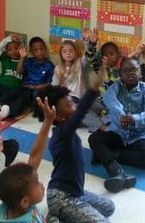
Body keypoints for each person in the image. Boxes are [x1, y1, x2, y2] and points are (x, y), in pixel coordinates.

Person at [37, 58, 116, 222]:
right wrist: (96, 83)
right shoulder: (63, 133)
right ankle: (57, 215)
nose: (75, 106)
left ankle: (61, 215)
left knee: (109, 207)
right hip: (61, 198)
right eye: (70, 105)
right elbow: (82, 110)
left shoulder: (65, 132)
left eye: (73, 103)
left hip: (75, 192)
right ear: (58, 116)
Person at [88, 58, 145, 193]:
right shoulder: (114, 88)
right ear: (120, 75)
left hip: (138, 136)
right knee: (93, 138)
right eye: (126, 71)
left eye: (134, 70)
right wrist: (122, 117)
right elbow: (111, 102)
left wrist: (133, 119)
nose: (130, 73)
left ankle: (109, 155)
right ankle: (114, 170)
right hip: (118, 133)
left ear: (140, 73)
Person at [82, 27, 124, 132]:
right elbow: (90, 57)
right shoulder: (100, 67)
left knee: (121, 114)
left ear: (118, 55)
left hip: (114, 107)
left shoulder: (122, 71)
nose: (109, 57)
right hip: (100, 104)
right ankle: (102, 126)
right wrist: (91, 43)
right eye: (105, 55)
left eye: (112, 54)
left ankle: (100, 123)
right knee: (82, 108)